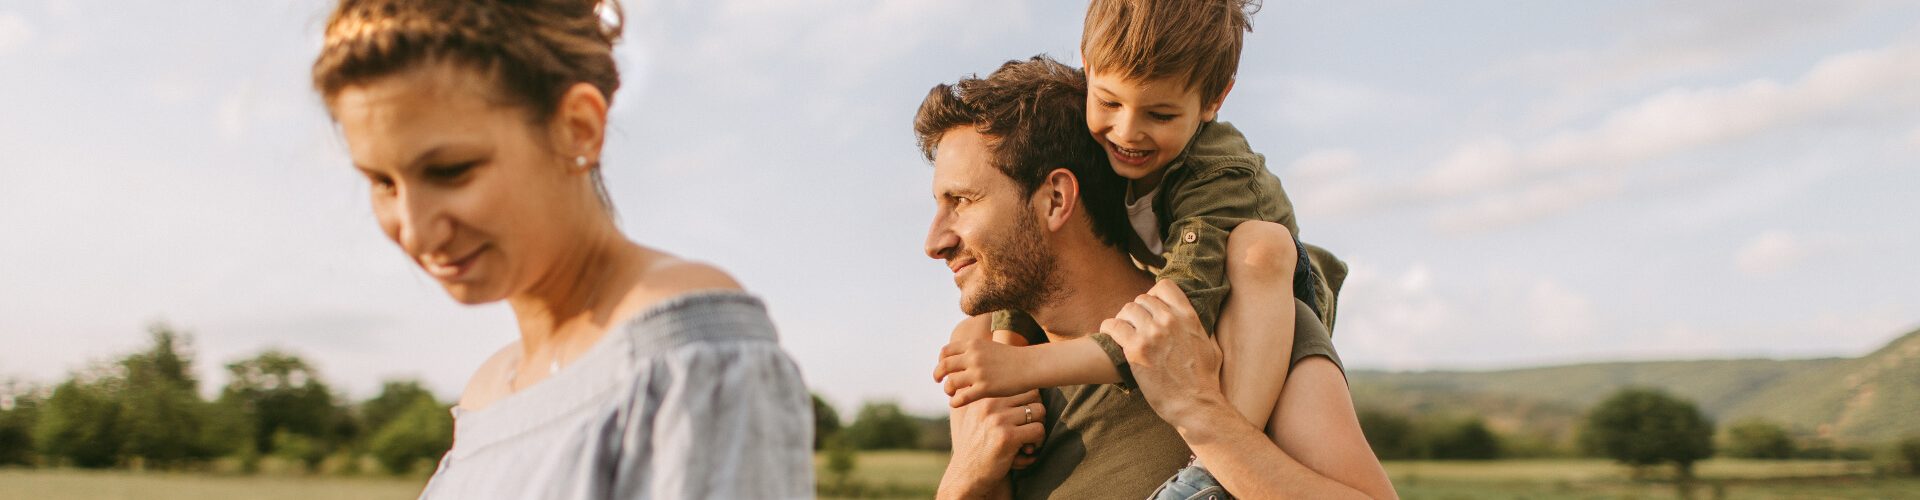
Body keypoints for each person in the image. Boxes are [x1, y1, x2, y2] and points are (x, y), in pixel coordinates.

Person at [310, 1, 813, 498]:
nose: (416, 233)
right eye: (382, 182)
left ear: (579, 128)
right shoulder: (487, 394)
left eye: (451, 171)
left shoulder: (690, 355)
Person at [918, 56, 1393, 499]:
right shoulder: (995, 380)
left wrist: (1202, 414)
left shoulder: (1251, 330)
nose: (934, 241)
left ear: (1056, 200)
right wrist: (964, 476)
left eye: (960, 201)